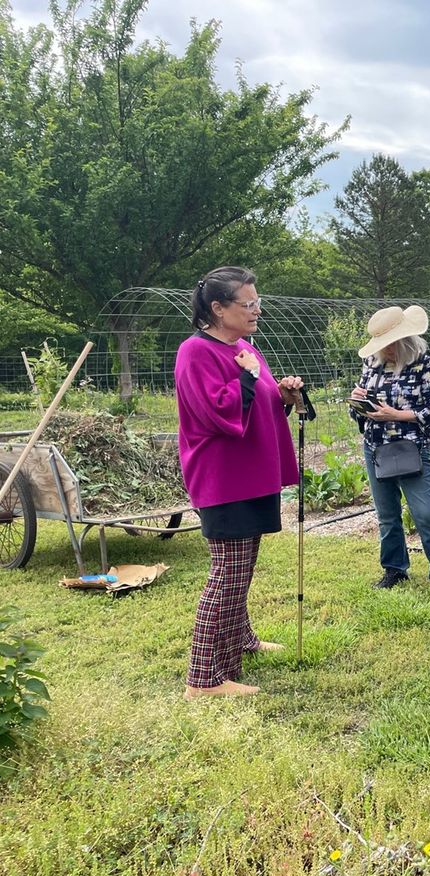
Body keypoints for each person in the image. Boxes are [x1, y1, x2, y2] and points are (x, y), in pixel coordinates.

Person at [175, 266, 303, 700]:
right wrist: (247, 376)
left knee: (242, 569)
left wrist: (282, 396)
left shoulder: (246, 347)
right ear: (217, 308)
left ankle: (240, 641)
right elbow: (218, 415)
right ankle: (204, 680)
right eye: (248, 304)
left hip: (252, 475)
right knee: (227, 572)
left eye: (257, 302)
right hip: (222, 478)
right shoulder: (195, 351)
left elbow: (256, 408)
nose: (257, 311)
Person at [351, 306, 430, 598]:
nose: (385, 350)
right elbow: (361, 408)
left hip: (411, 447)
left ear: (403, 341)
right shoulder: (372, 364)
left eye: (389, 344)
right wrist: (358, 401)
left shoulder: (423, 363)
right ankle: (394, 569)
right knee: (387, 514)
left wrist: (395, 415)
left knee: (424, 514)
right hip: (376, 447)